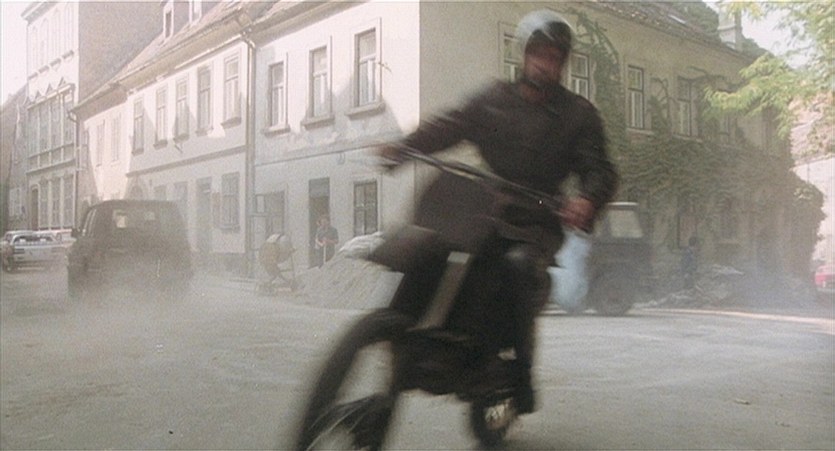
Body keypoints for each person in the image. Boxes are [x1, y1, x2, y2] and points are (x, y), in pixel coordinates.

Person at [378, 9, 618, 413]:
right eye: (538, 54)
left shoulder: (578, 115)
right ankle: (396, 331)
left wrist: (587, 199)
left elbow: (600, 169)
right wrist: (404, 148)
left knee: (517, 266)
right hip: (485, 204)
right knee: (431, 243)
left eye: (554, 57)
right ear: (523, 54)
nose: (544, 64)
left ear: (562, 63)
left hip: (537, 216)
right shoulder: (494, 100)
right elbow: (450, 125)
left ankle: (521, 372)